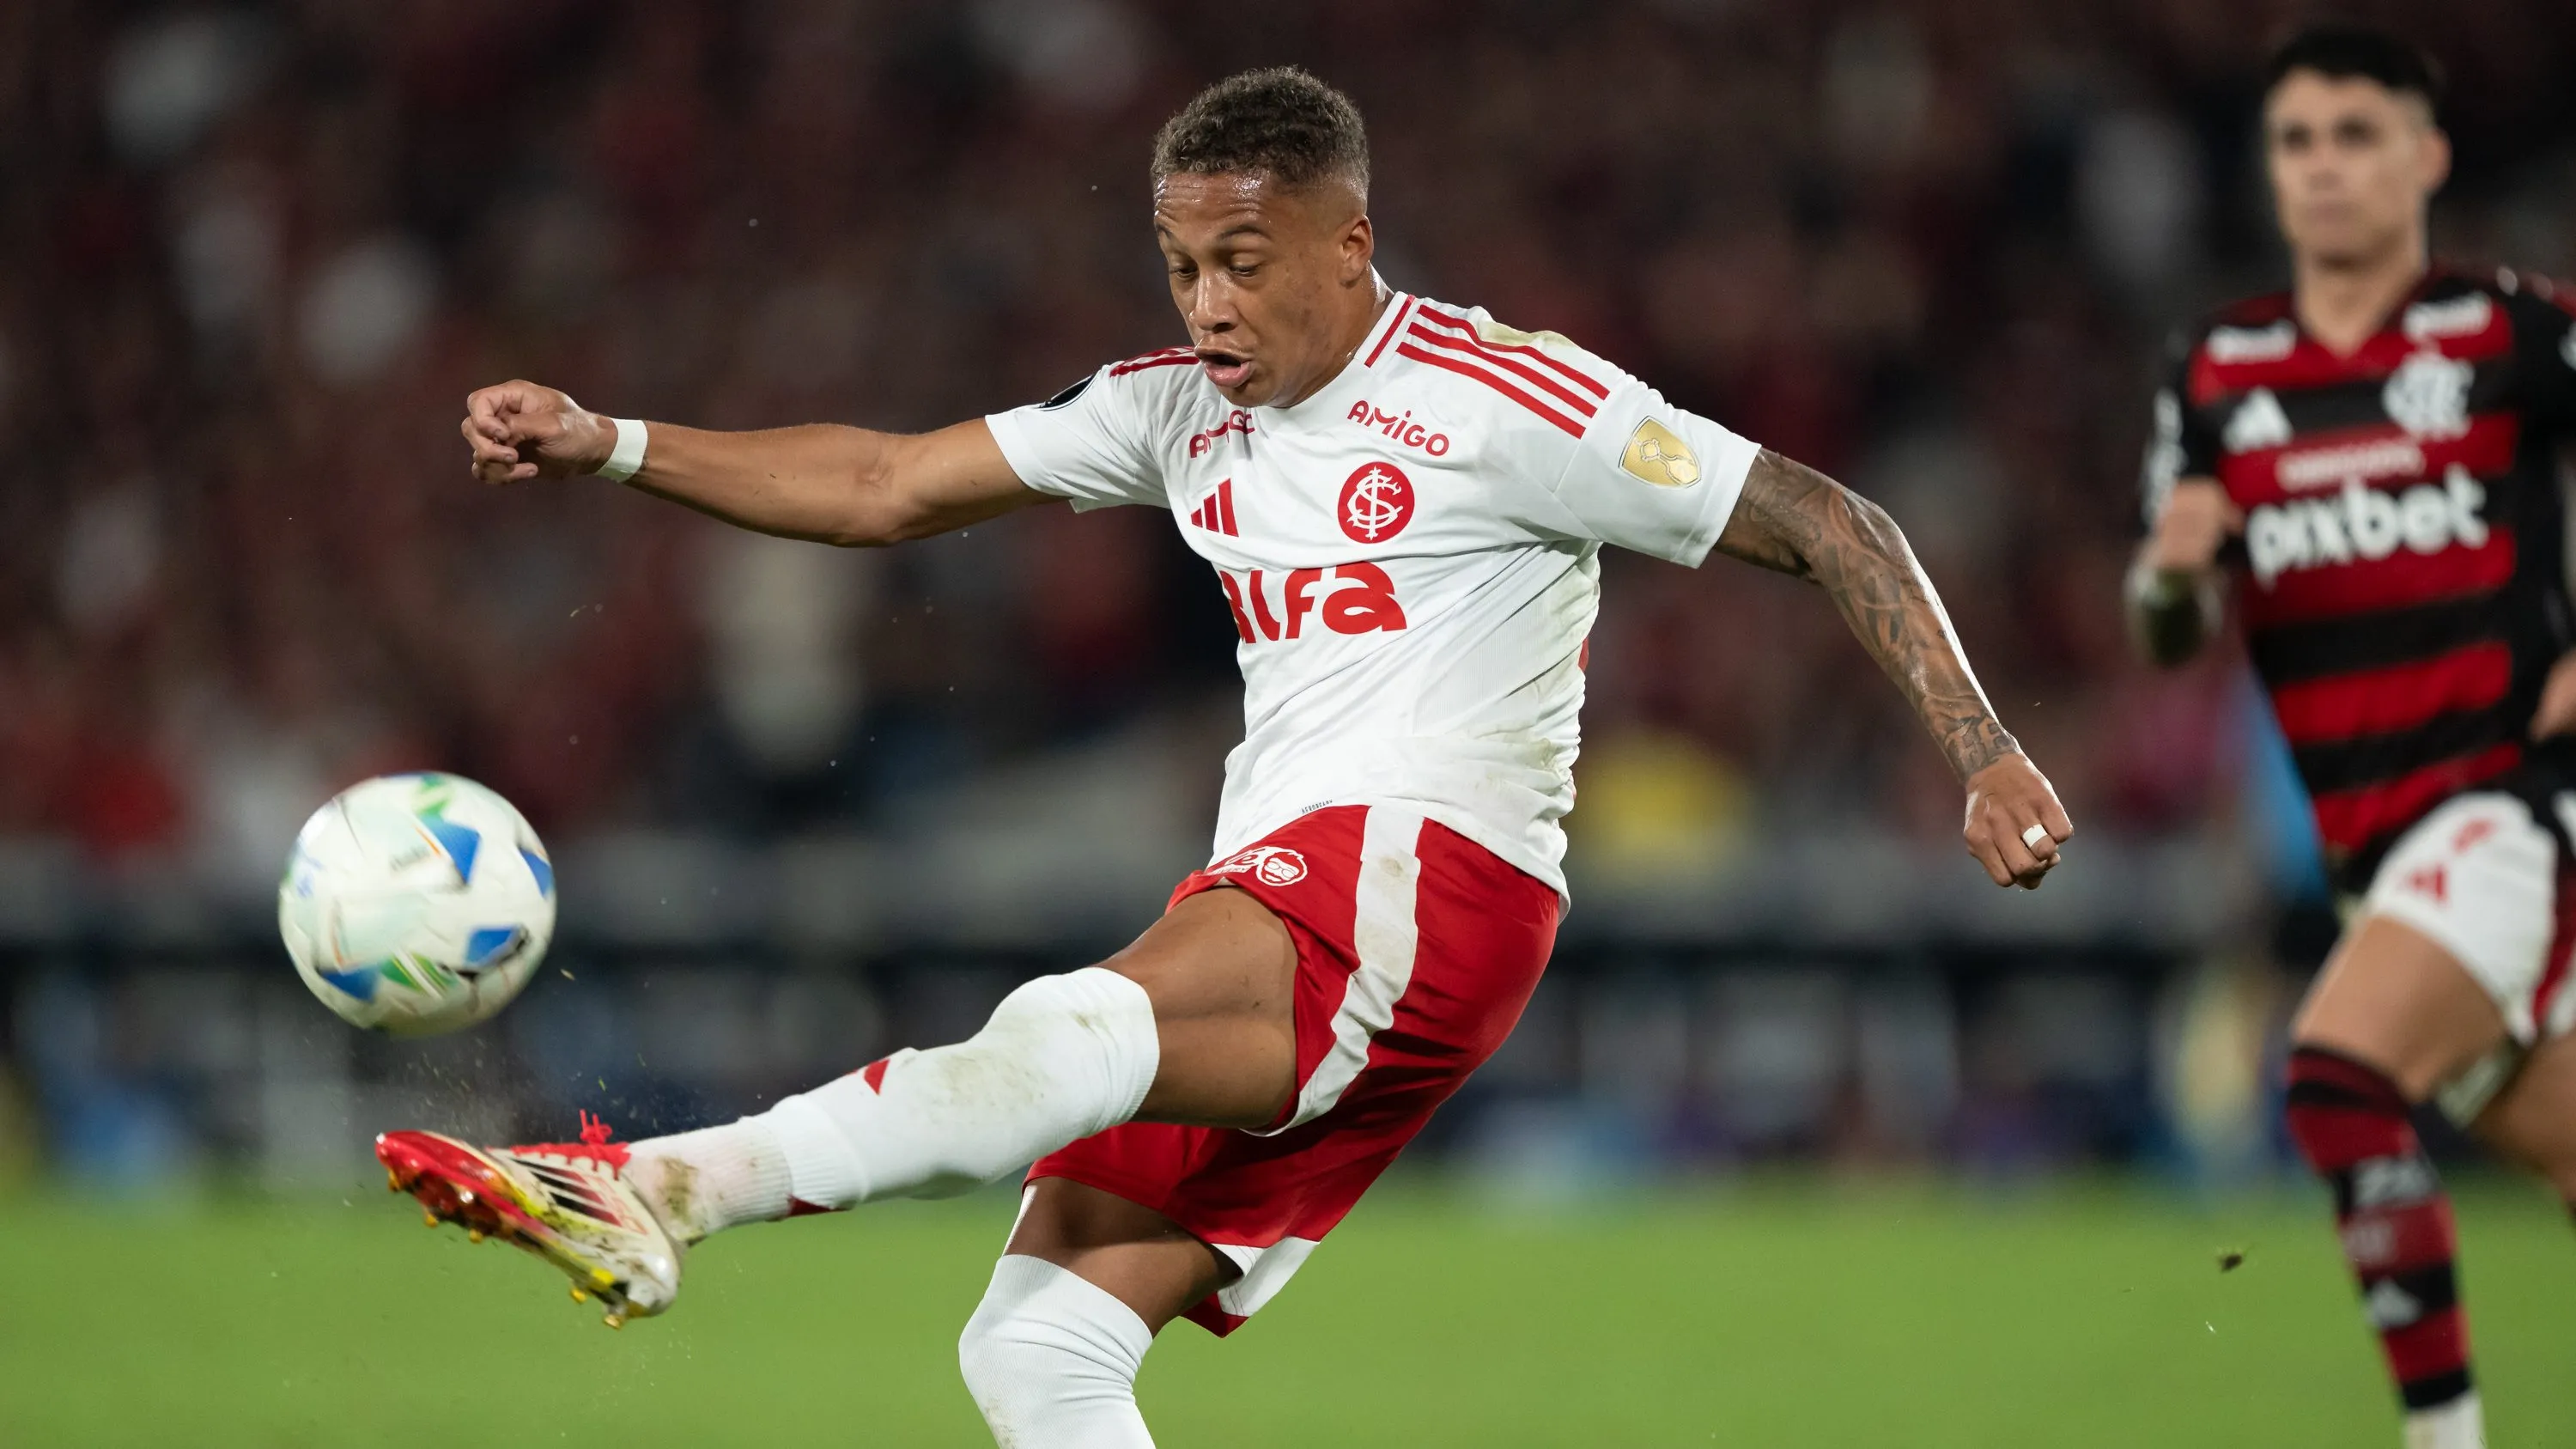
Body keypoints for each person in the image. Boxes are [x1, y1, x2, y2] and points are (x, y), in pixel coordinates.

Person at [383, 67, 2070, 1446]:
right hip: (1330, 908)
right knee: (1038, 1347)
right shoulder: (1173, 408)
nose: (1206, 304)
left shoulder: (1501, 400)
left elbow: (1828, 518)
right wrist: (612, 443)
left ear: (1351, 245)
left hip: (1428, 869)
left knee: (1070, 1028)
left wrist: (1983, 750)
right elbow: (885, 486)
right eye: (1181, 264)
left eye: (1244, 262)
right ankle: (662, 1192)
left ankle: (661, 1185)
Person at [2129, 22, 2576, 1449]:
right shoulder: (2218, 374)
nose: (2324, 167)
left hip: (2509, 807)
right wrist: (2169, 580)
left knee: (2333, 1074)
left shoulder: (2509, 333)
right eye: (2297, 141)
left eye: (2357, 135)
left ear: (2427, 156)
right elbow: (2168, 634)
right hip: (2371, 857)